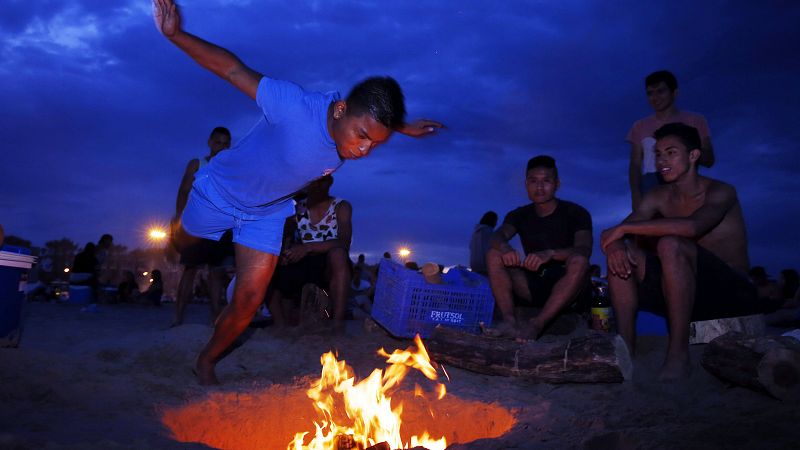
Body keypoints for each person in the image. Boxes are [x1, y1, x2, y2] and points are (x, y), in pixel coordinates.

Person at [153, 0, 443, 385]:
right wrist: (176, 34)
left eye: (374, 144)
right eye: (361, 137)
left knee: (250, 299)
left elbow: (371, 121)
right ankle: (180, 232)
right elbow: (231, 68)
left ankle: (206, 360)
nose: (363, 150)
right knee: (183, 245)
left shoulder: (355, 124)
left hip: (266, 213)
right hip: (218, 193)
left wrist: (402, 127)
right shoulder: (294, 105)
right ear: (339, 110)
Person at [601, 122, 759, 380]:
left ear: (693, 155)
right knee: (624, 256)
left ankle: (678, 356)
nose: (662, 160)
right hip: (683, 291)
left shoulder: (720, 191)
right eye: (658, 154)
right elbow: (613, 234)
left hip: (731, 292)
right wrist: (617, 244)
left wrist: (623, 230)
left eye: (671, 152)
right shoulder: (657, 196)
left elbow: (694, 226)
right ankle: (626, 349)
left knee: (670, 243)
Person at [485, 155, 592, 341]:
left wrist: (551, 254)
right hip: (533, 285)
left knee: (580, 261)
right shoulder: (520, 214)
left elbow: (584, 249)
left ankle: (537, 323)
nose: (539, 187)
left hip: (568, 287)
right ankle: (509, 321)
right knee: (494, 253)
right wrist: (505, 248)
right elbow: (497, 235)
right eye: (533, 181)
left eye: (546, 181)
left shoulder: (576, 213)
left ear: (557, 184)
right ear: (526, 184)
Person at [265, 175, 352, 330]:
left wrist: (308, 247)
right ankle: (280, 324)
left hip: (327, 262)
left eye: (322, 180)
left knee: (338, 254)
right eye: (314, 181)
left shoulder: (341, 206)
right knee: (267, 260)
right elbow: (281, 237)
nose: (317, 185)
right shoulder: (295, 208)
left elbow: (343, 241)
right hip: (303, 260)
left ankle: (338, 323)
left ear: (330, 182)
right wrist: (283, 254)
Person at [171, 127, 235, 327]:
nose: (222, 147)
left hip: (222, 226)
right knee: (190, 270)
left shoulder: (232, 167)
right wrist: (179, 218)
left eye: (226, 144)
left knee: (217, 273)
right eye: (218, 142)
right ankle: (178, 319)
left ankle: (215, 317)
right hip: (196, 226)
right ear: (210, 142)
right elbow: (183, 191)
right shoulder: (197, 164)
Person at [627, 70, 714, 210]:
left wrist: (682, 145)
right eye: (650, 93)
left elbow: (709, 159)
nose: (655, 97)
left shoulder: (695, 121)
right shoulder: (639, 126)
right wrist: (636, 196)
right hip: (651, 183)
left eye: (661, 91)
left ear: (675, 93)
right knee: (653, 229)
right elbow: (635, 165)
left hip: (685, 182)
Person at [469, 211, 497, 275]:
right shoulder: (488, 231)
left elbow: (471, 247)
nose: (496, 223)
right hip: (485, 266)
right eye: (495, 220)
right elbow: (491, 248)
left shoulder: (476, 232)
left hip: (474, 265)